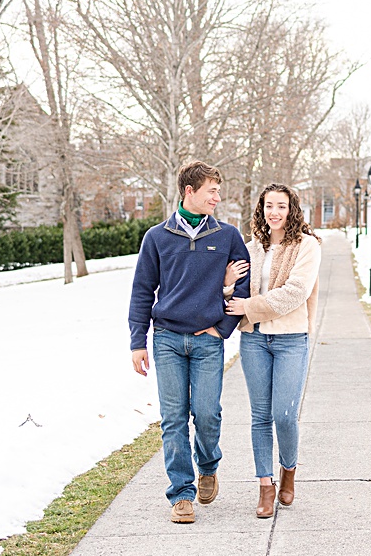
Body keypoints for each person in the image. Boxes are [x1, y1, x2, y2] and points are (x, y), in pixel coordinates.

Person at [128, 161, 251, 524]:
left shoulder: (227, 235)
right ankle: (181, 494)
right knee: (173, 418)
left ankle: (208, 466)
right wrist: (138, 343)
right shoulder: (157, 237)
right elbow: (141, 292)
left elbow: (242, 287)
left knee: (207, 413)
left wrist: (221, 329)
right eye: (211, 190)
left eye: (218, 190)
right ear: (189, 192)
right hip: (166, 340)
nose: (217, 196)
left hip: (207, 342)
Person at [224, 182, 321, 519]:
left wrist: (249, 305)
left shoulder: (307, 246)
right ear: (261, 210)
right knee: (260, 416)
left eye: (281, 206)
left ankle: (288, 470)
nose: (274, 212)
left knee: (284, 414)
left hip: (291, 338)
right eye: (268, 206)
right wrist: (226, 286)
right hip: (253, 340)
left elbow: (295, 292)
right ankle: (265, 485)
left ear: (291, 209)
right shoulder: (251, 248)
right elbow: (231, 294)